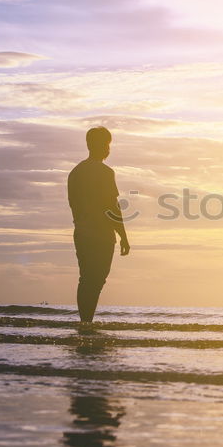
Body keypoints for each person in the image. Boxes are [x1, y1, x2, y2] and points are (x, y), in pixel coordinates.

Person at [67, 126, 130, 329]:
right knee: (96, 280)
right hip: (101, 234)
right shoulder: (105, 172)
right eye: (106, 144)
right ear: (96, 145)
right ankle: (86, 323)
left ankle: (85, 323)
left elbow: (73, 203)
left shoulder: (75, 172)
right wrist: (124, 236)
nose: (108, 149)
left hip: (82, 232)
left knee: (86, 279)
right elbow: (112, 207)